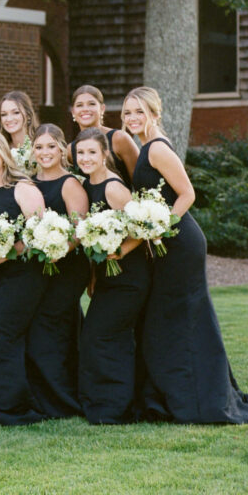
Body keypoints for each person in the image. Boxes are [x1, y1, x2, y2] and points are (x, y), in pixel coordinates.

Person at [124, 87, 248, 424]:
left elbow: (187, 193)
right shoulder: (144, 148)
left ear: (155, 113)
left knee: (185, 318)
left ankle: (200, 396)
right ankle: (172, 392)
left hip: (181, 242)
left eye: (139, 111)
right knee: (168, 319)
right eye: (127, 113)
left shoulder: (158, 149)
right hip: (166, 243)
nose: (132, 118)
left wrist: (160, 227)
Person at [0, 130, 48, 425]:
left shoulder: (22, 188)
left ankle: (10, 406)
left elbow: (42, 233)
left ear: (3, 154)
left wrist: (9, 251)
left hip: (23, 276)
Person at [73, 127, 149, 424]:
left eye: (92, 152)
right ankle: (102, 402)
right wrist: (93, 277)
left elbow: (145, 228)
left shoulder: (112, 187)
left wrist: (121, 251)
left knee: (103, 337)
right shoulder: (86, 184)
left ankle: (116, 407)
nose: (86, 157)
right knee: (99, 337)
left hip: (128, 277)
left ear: (105, 153)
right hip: (106, 277)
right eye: (81, 152)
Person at [26, 124, 90, 418]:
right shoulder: (26, 182)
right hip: (37, 268)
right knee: (53, 328)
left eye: (51, 146)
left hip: (67, 266)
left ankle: (62, 400)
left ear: (63, 149)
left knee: (50, 326)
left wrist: (58, 250)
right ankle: (45, 394)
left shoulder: (70, 184)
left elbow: (81, 230)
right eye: (39, 147)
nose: (45, 152)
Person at [69, 85, 138, 185]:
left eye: (91, 104)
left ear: (102, 109)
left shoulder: (119, 139)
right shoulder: (70, 150)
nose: (85, 109)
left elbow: (140, 181)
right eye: (79, 105)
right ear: (73, 112)